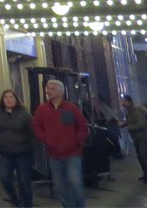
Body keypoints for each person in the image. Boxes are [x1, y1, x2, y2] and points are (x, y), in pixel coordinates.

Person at [32, 78, 89, 207]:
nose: (48, 91)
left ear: (61, 91)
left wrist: (74, 141)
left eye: (51, 89)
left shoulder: (71, 108)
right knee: (60, 186)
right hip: (54, 155)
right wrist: (46, 139)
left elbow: (82, 128)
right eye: (47, 88)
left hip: (72, 154)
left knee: (75, 183)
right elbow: (36, 126)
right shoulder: (42, 109)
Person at [0, 89, 35, 208]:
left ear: (16, 100)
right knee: (5, 178)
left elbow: (32, 134)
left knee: (24, 182)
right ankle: (15, 200)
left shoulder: (24, 114)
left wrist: (35, 152)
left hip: (24, 153)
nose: (8, 99)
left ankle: (28, 205)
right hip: (6, 153)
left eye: (11, 97)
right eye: (6, 97)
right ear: (2, 100)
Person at [120, 94, 147, 183]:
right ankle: (146, 175)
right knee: (140, 157)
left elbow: (141, 124)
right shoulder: (129, 112)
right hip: (136, 137)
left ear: (128, 102)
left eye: (123, 101)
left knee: (143, 156)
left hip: (143, 137)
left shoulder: (136, 111)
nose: (122, 102)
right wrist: (123, 124)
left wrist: (129, 127)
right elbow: (130, 121)